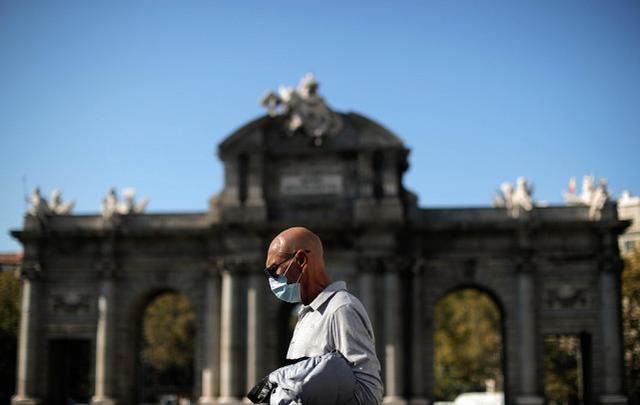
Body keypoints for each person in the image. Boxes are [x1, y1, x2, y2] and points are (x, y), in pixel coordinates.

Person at [262, 226, 383, 405]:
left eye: (274, 270)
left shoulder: (342, 308)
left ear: (301, 260)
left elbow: (369, 391)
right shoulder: (307, 315)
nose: (272, 279)